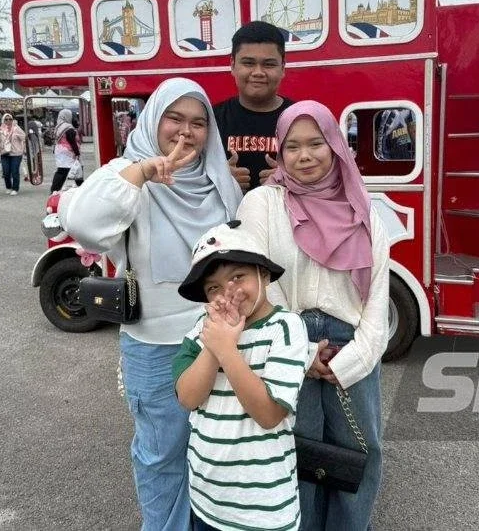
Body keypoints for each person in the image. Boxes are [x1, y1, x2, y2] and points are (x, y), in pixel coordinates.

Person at [57, 78, 242, 531]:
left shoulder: (220, 182)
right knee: (162, 457)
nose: (186, 131)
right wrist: (144, 173)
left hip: (221, 344)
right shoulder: (126, 172)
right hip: (157, 348)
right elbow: (82, 223)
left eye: (198, 123)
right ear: (152, 120)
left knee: (215, 455)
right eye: (174, 118)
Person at [236, 100, 391, 530]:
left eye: (316, 144)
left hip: (351, 343)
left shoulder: (362, 205)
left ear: (336, 146)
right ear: (280, 153)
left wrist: (352, 361)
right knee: (294, 450)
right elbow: (254, 288)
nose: (305, 156)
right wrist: (302, 354)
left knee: (360, 451)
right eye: (293, 147)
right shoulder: (261, 204)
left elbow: (378, 293)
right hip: (286, 339)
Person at [174, 221, 310, 531]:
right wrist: (214, 345)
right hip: (206, 501)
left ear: (264, 274)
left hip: (264, 510)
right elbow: (188, 397)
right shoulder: (201, 331)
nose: (229, 293)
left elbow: (269, 413)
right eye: (214, 288)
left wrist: (227, 351)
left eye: (238, 276)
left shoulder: (286, 329)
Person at [214, 21, 295, 192]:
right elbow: (188, 173)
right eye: (249, 63)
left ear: (283, 68)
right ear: (232, 65)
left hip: (287, 216)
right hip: (228, 217)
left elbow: (329, 173)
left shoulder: (302, 119)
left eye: (269, 64)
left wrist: (294, 178)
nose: (258, 72)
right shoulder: (211, 119)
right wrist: (218, 177)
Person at [50, 109, 83, 194]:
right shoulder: (68, 127)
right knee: (73, 169)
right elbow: (72, 141)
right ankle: (80, 187)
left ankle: (55, 189)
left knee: (62, 170)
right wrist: (77, 153)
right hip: (68, 152)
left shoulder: (58, 126)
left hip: (60, 151)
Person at [0, 113, 27, 196]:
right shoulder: (1, 129)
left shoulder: (16, 128)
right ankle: (8, 187)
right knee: (6, 172)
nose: (8, 121)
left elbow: (24, 138)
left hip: (16, 154)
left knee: (14, 171)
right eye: (6, 119)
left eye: (10, 119)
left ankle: (15, 188)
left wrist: (23, 148)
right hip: (4, 153)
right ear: (3, 120)